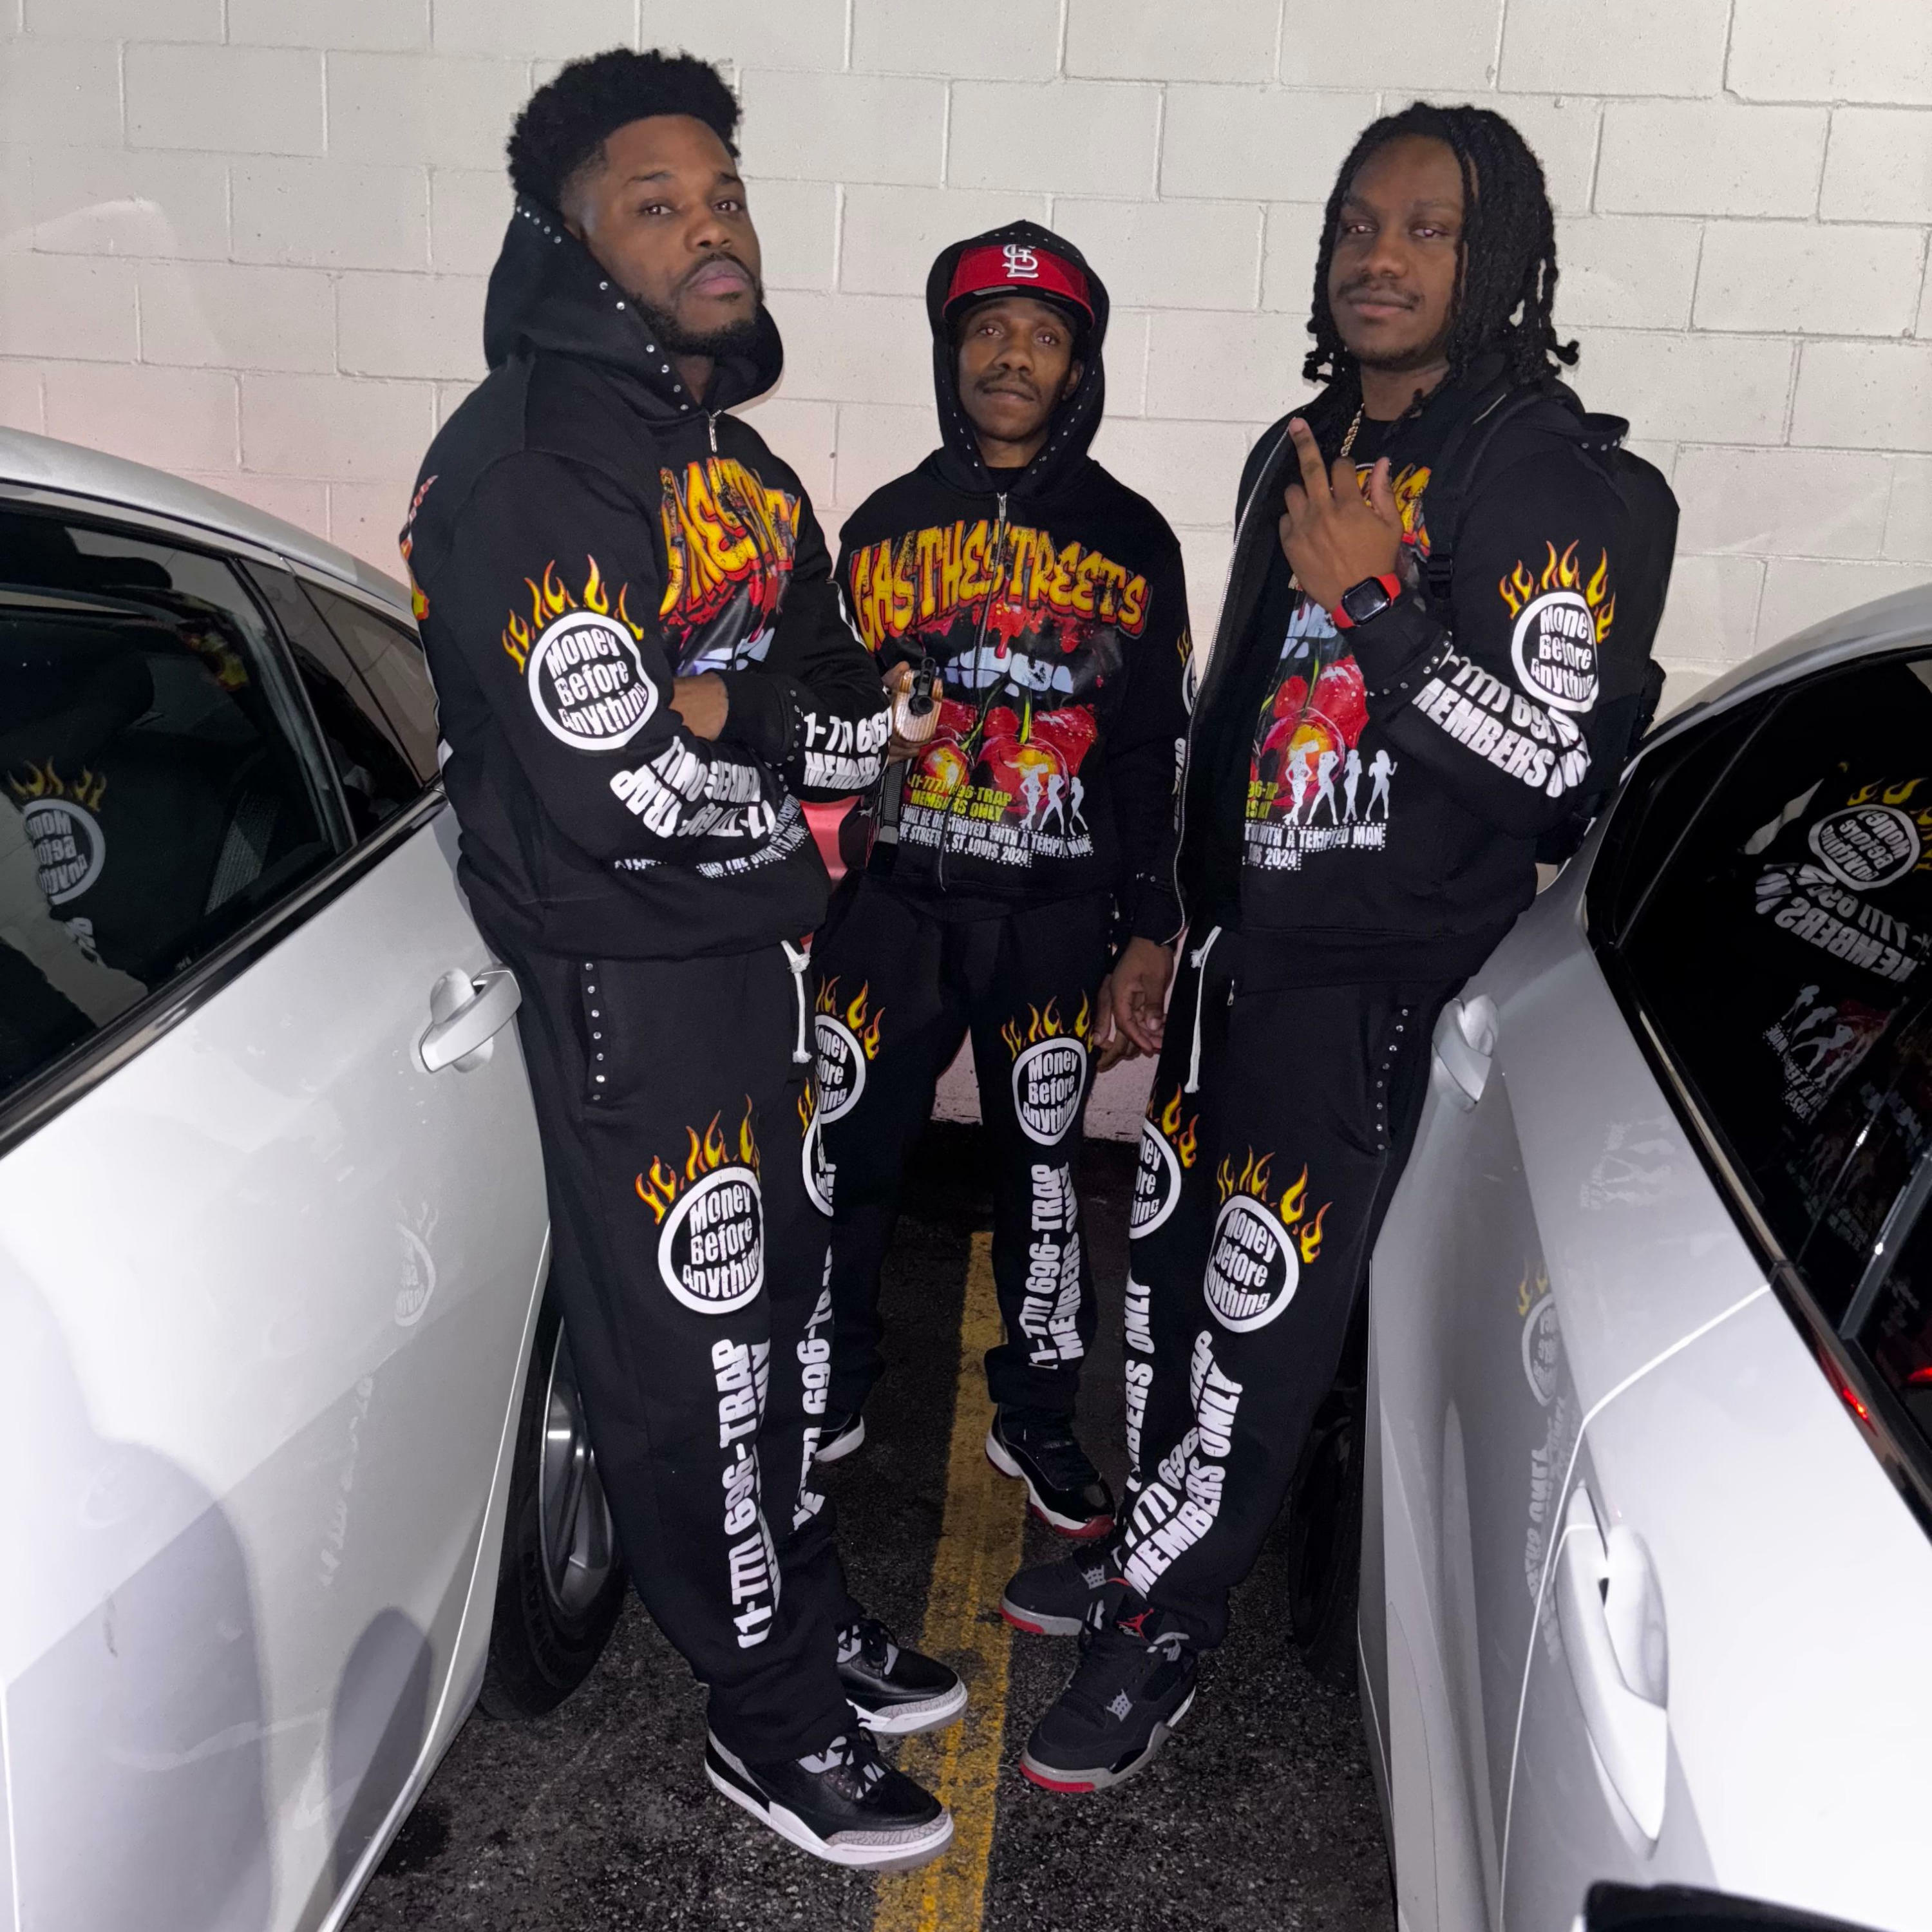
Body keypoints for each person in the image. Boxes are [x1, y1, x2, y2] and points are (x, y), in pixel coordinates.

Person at [1002, 103, 1677, 1790]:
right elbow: (1236, 709)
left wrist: (1382, 610)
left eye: (1427, 231)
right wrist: (1170, 921)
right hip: (1244, 959)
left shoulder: (1541, 473)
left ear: (1495, 261)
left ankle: (1171, 1623)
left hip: (1376, 982)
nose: (1381, 258)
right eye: (1359, 226)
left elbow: (1560, 771)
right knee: (1168, 1292)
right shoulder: (1294, 446)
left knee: (1259, 1320)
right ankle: (1153, 1539)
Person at [401, 50, 962, 1869]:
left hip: (752, 962)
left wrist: (755, 717)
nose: (711, 227)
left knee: (785, 1335)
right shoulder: (528, 465)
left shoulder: (742, 469)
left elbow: (862, 706)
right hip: (627, 988)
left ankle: (803, 1620)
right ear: (570, 243)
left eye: (722, 194)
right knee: (698, 1369)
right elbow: (616, 784)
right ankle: (763, 1717)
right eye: (657, 204)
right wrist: (778, 746)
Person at [811, 224, 1191, 1540]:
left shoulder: (1132, 540)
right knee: (845, 1154)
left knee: (1043, 1175)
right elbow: (835, 730)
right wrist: (824, 879)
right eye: (986, 330)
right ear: (950, 353)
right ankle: (831, 1379)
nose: (1011, 356)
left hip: (1050, 916)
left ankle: (1035, 1412)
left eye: (1041, 336)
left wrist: (1150, 926)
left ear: (1078, 365)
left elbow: (1151, 752)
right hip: (895, 909)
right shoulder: (880, 527)